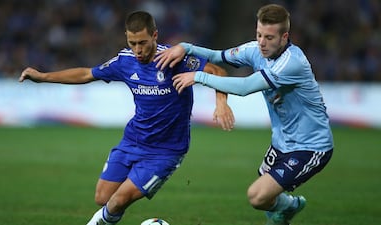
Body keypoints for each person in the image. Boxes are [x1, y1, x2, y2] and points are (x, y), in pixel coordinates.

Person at [19, 11, 235, 225]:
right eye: (132, 43)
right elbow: (87, 74)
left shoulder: (173, 58)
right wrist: (43, 77)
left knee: (118, 200)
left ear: (155, 35)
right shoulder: (125, 61)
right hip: (132, 141)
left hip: (166, 150)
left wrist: (221, 103)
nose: (138, 50)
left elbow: (217, 71)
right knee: (103, 198)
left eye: (142, 42)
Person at [155, 4, 333, 225]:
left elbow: (245, 86)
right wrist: (185, 47)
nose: (262, 42)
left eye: (269, 37)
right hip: (281, 143)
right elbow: (216, 56)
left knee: (257, 196)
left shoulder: (292, 63)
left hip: (310, 146)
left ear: (284, 36)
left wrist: (199, 77)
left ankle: (290, 208)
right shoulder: (255, 49)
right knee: (266, 197)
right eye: (259, 34)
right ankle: (287, 211)